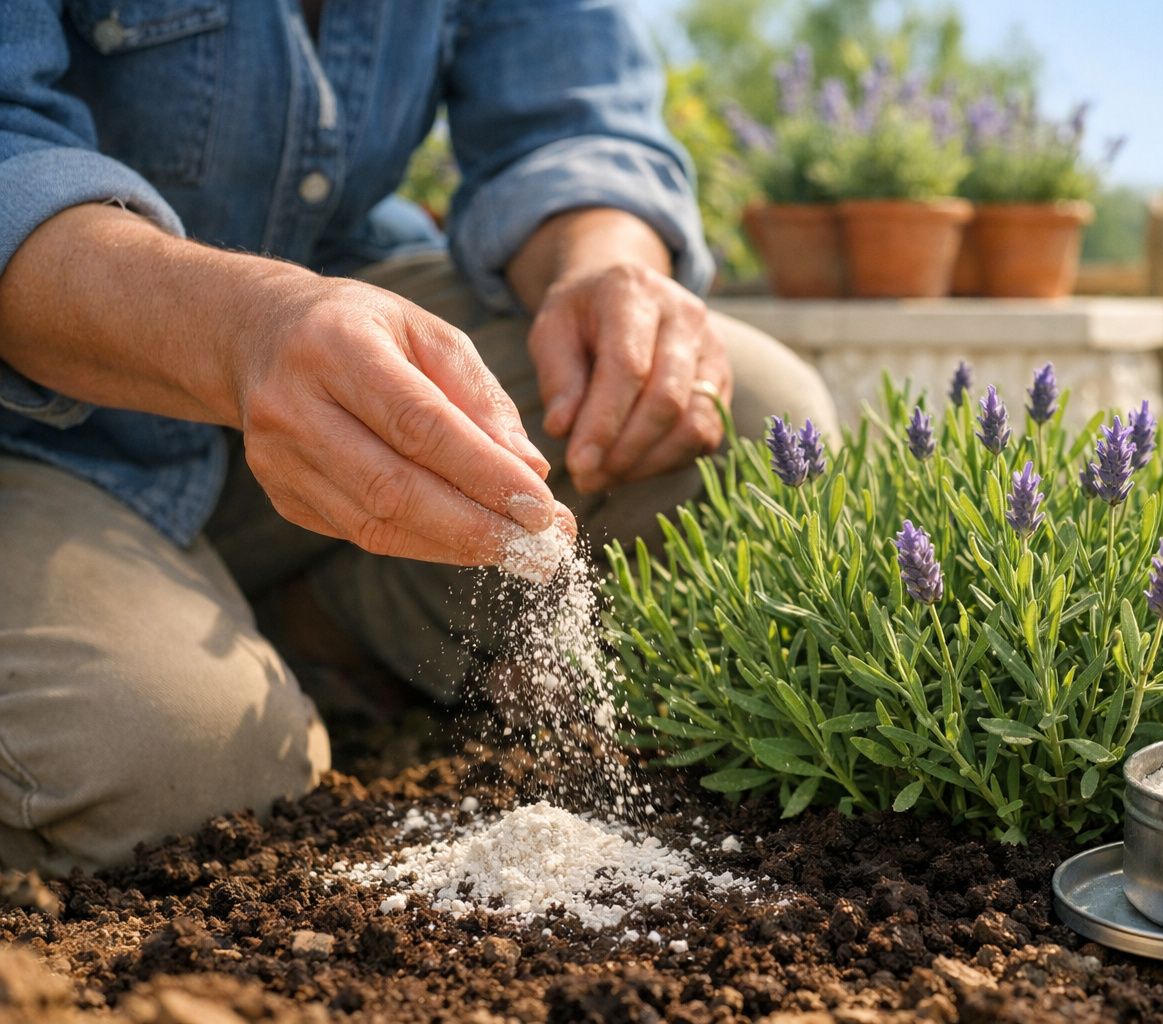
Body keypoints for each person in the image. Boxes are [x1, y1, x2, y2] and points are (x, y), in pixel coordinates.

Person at [0, 0, 836, 875]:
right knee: (176, 782)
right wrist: (242, 330)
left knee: (749, 422)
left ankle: (315, 623)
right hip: (47, 421)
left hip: (335, 332)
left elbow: (569, 113)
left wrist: (599, 266)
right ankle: (229, 660)